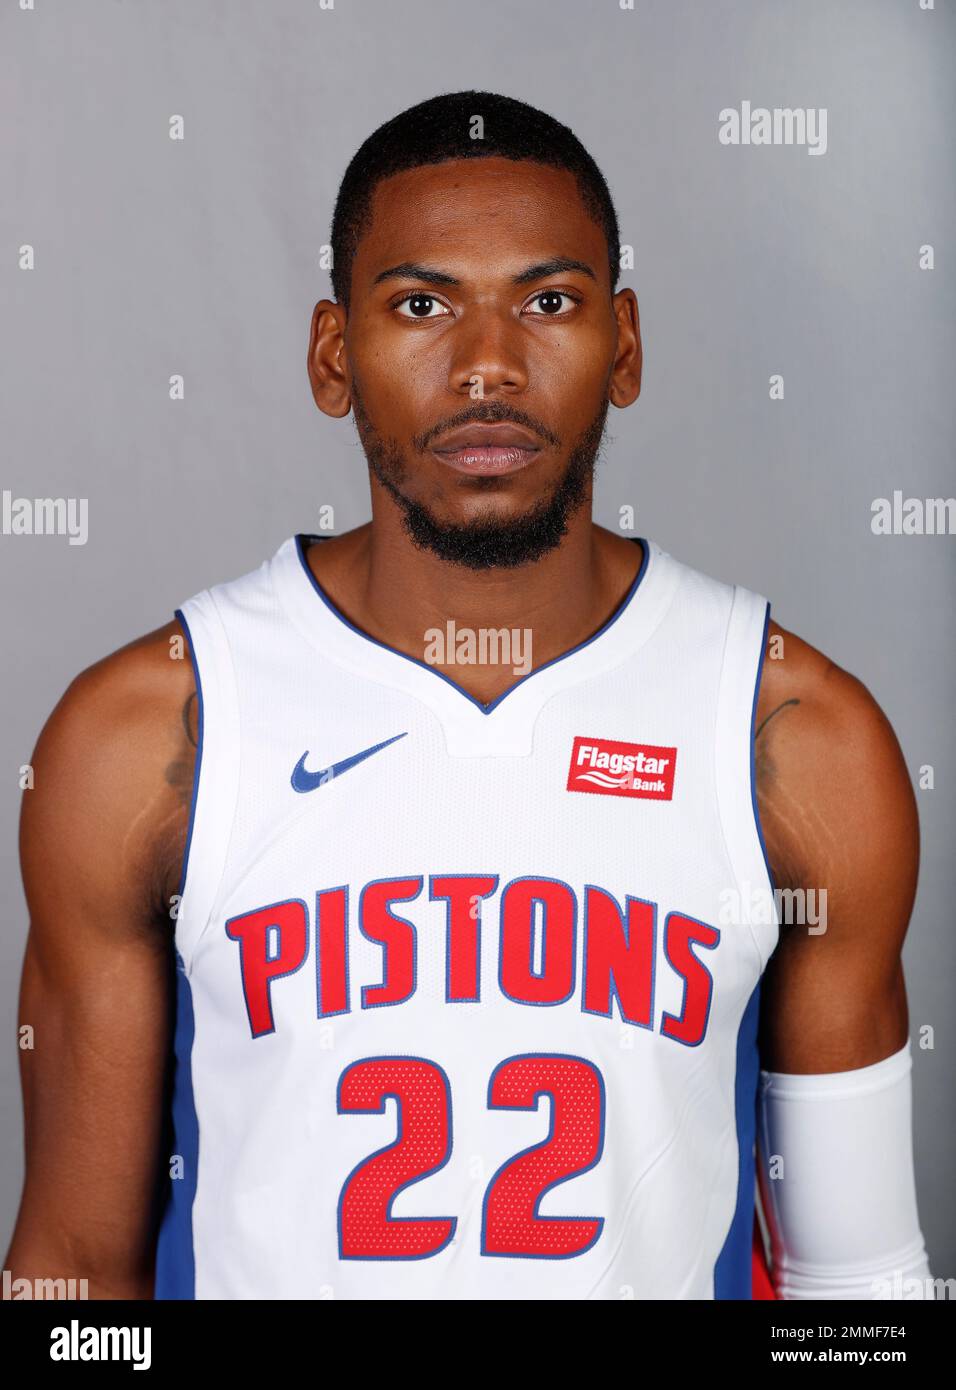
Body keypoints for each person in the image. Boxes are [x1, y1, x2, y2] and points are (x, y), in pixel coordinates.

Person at [4, 91, 931, 1300]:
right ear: (334, 357)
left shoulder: (791, 737)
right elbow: (71, 1283)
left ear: (626, 346)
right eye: (420, 305)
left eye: (548, 302)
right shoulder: (152, 734)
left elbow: (854, 1290)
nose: (488, 365)